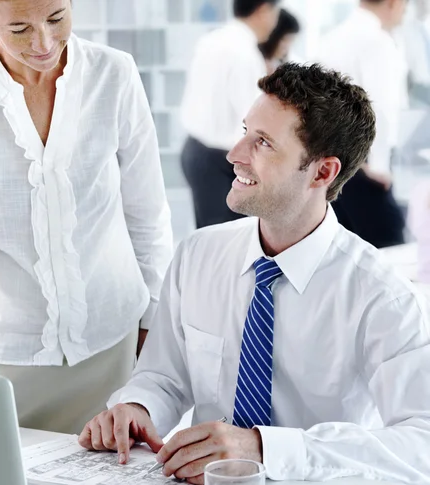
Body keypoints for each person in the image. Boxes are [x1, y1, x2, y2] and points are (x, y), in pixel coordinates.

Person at [80, 63, 430, 484]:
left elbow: (421, 445)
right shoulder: (197, 255)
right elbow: (163, 377)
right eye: (245, 131)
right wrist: (138, 407)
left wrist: (265, 448)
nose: (234, 154)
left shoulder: (381, 295)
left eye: (262, 143)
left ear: (323, 172)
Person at [0, 0, 173, 435]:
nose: (44, 42)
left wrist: (154, 322)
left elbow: (147, 211)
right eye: (19, 28)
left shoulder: (114, 73)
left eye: (57, 18)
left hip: (114, 338)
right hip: (9, 356)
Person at [180, 0, 280, 229]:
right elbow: (255, 116)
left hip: (195, 151)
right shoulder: (244, 53)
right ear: (263, 10)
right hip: (220, 160)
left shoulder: (212, 40)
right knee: (227, 244)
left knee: (210, 237)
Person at [318, 0, 408, 248]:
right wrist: (378, 165)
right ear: (394, 3)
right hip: (364, 161)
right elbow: (380, 106)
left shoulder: (333, 37)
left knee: (345, 250)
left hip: (331, 159)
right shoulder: (376, 40)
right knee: (391, 245)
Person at [258, 8, 300, 74]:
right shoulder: (256, 60)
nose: (287, 46)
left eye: (290, 41)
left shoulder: (282, 64)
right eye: (284, 39)